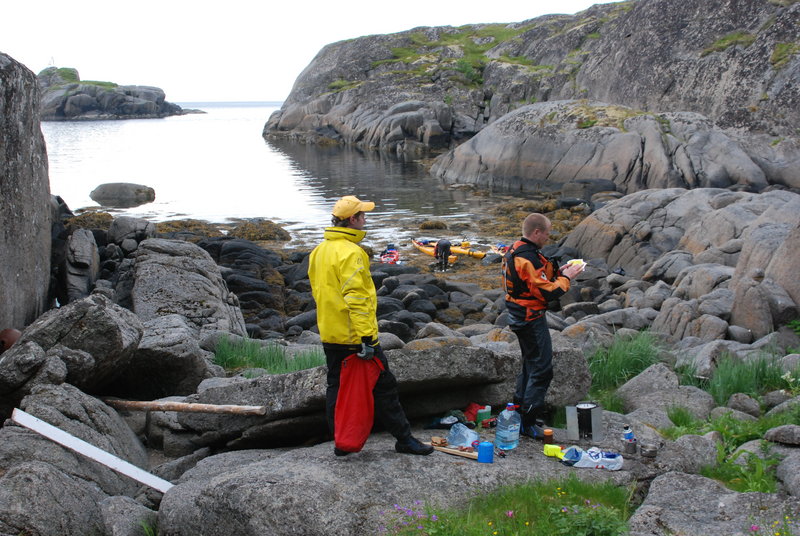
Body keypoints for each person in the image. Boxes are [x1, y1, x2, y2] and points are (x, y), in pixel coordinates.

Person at [308, 195, 433, 457]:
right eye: (363, 216)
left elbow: (320, 292)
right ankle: (404, 439)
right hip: (355, 336)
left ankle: (341, 442)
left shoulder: (319, 251)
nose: (366, 220)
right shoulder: (352, 253)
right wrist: (367, 338)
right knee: (385, 385)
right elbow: (358, 299)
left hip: (330, 333)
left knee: (336, 386)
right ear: (352, 219)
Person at [501, 213, 584, 438]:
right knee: (542, 369)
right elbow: (550, 291)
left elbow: (533, 281)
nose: (548, 237)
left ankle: (520, 412)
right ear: (536, 232)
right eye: (547, 233)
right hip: (529, 318)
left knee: (530, 364)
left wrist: (560, 271)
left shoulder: (515, 249)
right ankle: (527, 422)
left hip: (520, 315)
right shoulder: (527, 257)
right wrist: (568, 278)